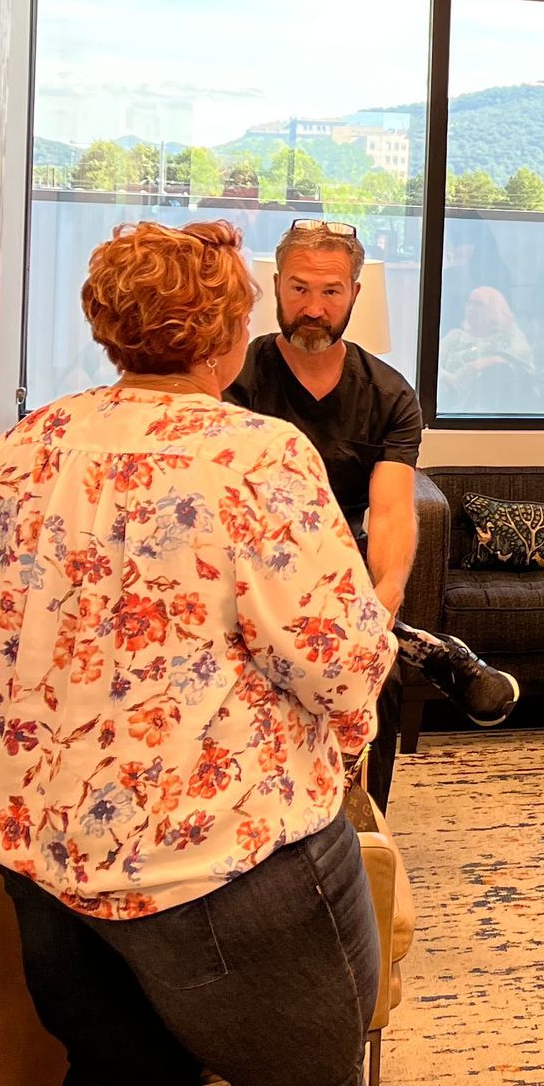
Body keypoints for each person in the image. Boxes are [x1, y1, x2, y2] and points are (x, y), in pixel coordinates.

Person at [0, 221, 462, 1086]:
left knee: (113, 1070)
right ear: (228, 331)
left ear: (109, 327)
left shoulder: (26, 446)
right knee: (306, 1062)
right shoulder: (255, 457)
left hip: (41, 851)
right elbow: (337, 656)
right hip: (219, 850)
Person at [227, 220, 422, 807]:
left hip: (339, 580)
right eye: (299, 289)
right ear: (276, 287)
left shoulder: (389, 396)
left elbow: (390, 512)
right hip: (246, 575)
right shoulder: (236, 380)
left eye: (331, 292)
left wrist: (382, 601)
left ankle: (361, 824)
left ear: (355, 295)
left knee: (381, 676)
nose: (313, 308)